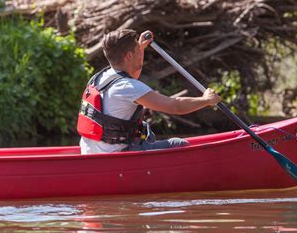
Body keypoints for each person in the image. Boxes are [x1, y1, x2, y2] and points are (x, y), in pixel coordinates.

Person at [77, 29, 222, 154]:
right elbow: (174, 106)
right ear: (128, 56)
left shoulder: (100, 77)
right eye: (136, 51)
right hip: (116, 155)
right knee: (179, 144)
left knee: (146, 132)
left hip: (92, 152)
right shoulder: (128, 87)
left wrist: (139, 48)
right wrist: (206, 100)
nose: (140, 53)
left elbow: (132, 72)